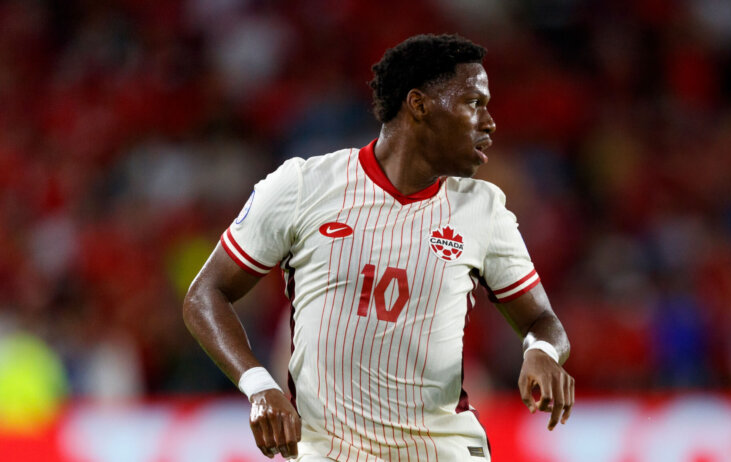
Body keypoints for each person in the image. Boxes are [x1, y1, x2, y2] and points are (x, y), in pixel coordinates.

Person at [183, 33, 574, 461]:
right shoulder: (303, 186)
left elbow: (541, 318)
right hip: (326, 452)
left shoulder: (483, 210)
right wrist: (258, 385)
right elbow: (206, 294)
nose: (489, 122)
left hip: (440, 451)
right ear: (419, 105)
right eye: (473, 103)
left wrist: (542, 351)